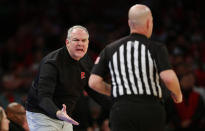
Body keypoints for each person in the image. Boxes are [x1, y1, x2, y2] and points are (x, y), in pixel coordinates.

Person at [89, 4, 183, 131]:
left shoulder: (110, 49)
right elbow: (169, 79)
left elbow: (93, 82)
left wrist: (118, 90)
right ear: (149, 23)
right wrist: (178, 94)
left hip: (121, 110)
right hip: (150, 109)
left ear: (129, 23)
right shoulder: (156, 48)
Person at [25, 25, 111, 131]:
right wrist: (58, 113)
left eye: (83, 40)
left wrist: (114, 106)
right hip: (42, 114)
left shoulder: (85, 60)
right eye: (76, 40)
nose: (80, 43)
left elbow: (91, 89)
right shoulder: (51, 63)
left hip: (66, 116)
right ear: (67, 42)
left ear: (88, 43)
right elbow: (43, 98)